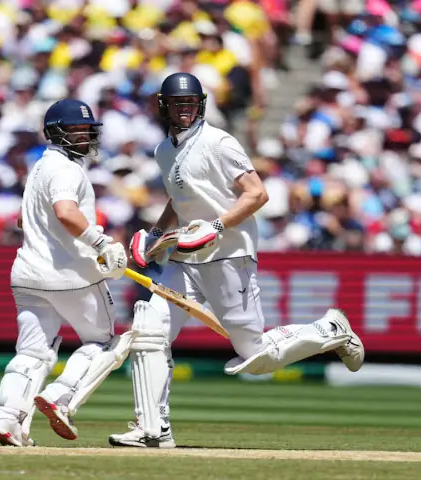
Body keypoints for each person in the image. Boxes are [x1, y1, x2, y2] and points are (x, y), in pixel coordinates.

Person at [109, 73, 365, 448]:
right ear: (163, 106)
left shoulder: (218, 142)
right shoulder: (165, 150)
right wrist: (155, 234)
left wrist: (215, 225)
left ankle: (329, 330)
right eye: (178, 104)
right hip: (184, 259)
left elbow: (257, 194)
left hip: (229, 255)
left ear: (201, 105)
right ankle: (153, 429)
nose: (185, 110)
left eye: (191, 103)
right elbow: (179, 200)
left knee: (254, 355)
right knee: (150, 331)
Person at [0, 99, 133, 447]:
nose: (83, 135)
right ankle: (61, 396)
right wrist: (102, 244)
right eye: (75, 129)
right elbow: (65, 211)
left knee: (33, 353)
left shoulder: (39, 167)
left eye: (86, 129)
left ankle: (7, 418)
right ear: (56, 132)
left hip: (27, 274)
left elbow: (25, 219)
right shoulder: (67, 169)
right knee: (106, 342)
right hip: (70, 275)